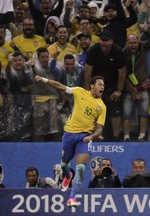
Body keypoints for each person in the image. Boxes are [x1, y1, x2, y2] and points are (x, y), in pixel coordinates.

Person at [35, 75, 106, 207]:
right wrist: (44, 80)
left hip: (85, 138)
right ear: (92, 85)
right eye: (100, 84)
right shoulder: (79, 92)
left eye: (103, 85)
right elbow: (59, 86)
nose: (102, 87)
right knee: (64, 164)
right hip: (69, 134)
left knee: (80, 168)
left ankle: (72, 198)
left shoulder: (102, 107)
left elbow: (100, 128)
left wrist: (92, 136)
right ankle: (67, 176)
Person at [84, 30, 126, 141]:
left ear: (112, 42)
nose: (103, 42)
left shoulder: (118, 52)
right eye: (102, 40)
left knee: (115, 111)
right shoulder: (93, 50)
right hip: (96, 86)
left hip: (112, 86)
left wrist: (119, 90)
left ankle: (116, 137)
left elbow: (122, 71)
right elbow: (88, 70)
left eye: (106, 40)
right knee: (95, 111)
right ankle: (97, 136)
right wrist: (88, 90)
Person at [31, 47, 63, 142]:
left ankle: (57, 150)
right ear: (38, 58)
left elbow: (54, 71)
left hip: (53, 102)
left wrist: (54, 59)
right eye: (42, 57)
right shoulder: (34, 67)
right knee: (38, 130)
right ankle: (37, 151)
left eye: (46, 57)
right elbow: (35, 72)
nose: (45, 59)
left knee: (55, 129)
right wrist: (32, 66)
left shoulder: (54, 68)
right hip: (39, 103)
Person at [5, 51, 34, 142]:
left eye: (20, 60)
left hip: (29, 108)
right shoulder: (11, 74)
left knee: (27, 136)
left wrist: (32, 67)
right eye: (15, 61)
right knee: (16, 135)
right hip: (15, 109)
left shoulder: (29, 72)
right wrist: (9, 63)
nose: (18, 62)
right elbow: (9, 73)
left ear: (23, 61)